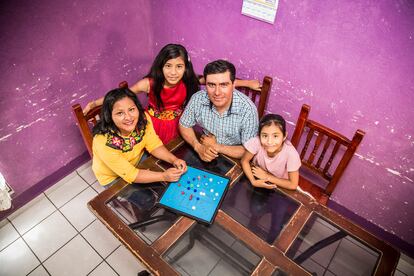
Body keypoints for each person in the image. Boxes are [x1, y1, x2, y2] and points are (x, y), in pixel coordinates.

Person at [84, 44, 261, 145]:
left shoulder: (189, 79)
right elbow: (121, 94)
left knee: (177, 152)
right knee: (154, 151)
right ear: (161, 66)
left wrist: (247, 83)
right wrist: (93, 104)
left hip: (179, 124)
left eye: (179, 67)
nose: (173, 72)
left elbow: (218, 81)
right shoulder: (149, 83)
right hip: (153, 124)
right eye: (168, 66)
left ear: (185, 68)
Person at [92, 87, 187, 187]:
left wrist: (174, 160)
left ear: (137, 108)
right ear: (109, 116)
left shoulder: (143, 119)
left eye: (131, 109)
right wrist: (163, 176)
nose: (128, 117)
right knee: (147, 198)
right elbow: (131, 174)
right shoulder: (102, 142)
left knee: (165, 186)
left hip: (138, 160)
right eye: (120, 113)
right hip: (112, 177)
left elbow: (154, 145)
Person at [179, 59, 259, 162]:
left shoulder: (248, 110)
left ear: (234, 84)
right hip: (205, 148)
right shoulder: (198, 98)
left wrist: (216, 146)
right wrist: (198, 147)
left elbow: (249, 151)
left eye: (223, 85)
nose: (217, 92)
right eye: (211, 85)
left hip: (235, 158)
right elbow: (184, 125)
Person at [241, 114, 301, 190]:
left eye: (275, 136)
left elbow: (293, 185)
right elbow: (244, 161)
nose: (269, 142)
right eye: (265, 136)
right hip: (258, 178)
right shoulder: (257, 141)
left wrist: (267, 177)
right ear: (259, 135)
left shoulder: (291, 154)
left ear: (284, 136)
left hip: (279, 186)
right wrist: (253, 181)